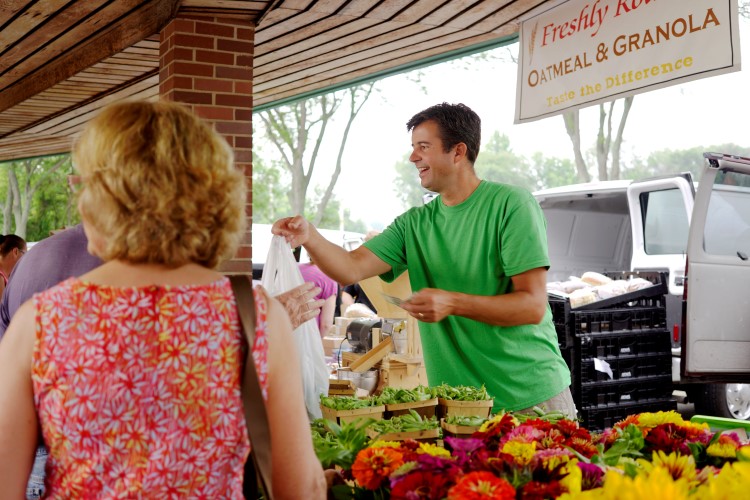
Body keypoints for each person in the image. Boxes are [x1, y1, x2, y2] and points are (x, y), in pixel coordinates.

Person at [0, 100, 326, 498]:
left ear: (103, 196)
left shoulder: (40, 321)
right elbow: (300, 487)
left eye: (82, 185)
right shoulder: (254, 315)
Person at [273, 102, 575, 418]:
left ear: (458, 152)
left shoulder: (511, 205)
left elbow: (531, 306)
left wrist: (452, 302)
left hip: (530, 398)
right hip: (458, 405)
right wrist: (309, 235)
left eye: (423, 147)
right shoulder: (413, 224)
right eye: (413, 147)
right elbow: (350, 266)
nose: (412, 157)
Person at [295, 247, 337, 337]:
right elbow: (326, 324)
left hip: (286, 328)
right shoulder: (329, 277)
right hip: (309, 334)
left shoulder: (295, 269)